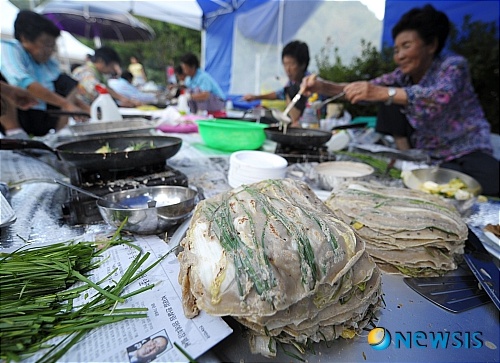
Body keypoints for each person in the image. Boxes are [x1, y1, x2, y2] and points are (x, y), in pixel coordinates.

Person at [300, 4, 499, 197]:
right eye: (396, 50)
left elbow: (440, 96)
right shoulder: (401, 77)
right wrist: (323, 87)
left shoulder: (453, 66)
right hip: (433, 157)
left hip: (468, 150)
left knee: (491, 181)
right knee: (434, 186)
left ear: (431, 45)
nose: (400, 56)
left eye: (406, 46)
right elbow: (362, 90)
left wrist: (384, 93)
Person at [0, 10, 89, 136]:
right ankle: (14, 132)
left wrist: (87, 110)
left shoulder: (48, 63)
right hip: (21, 113)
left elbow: (68, 95)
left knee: (67, 81)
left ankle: (60, 132)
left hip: (44, 116)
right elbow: (23, 81)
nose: (50, 50)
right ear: (25, 38)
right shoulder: (8, 48)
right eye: (46, 44)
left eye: (52, 46)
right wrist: (66, 104)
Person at [243, 40, 312, 126]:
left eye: (292, 64)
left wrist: (299, 123)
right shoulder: (292, 83)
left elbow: (312, 114)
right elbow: (280, 94)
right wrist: (255, 97)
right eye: (285, 64)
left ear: (303, 64)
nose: (288, 69)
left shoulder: (312, 84)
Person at [72, 47, 141, 108]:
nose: (112, 70)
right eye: (112, 66)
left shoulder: (98, 75)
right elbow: (97, 87)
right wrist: (121, 98)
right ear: (100, 61)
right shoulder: (85, 71)